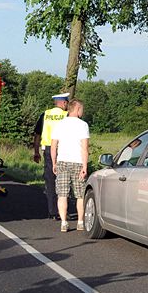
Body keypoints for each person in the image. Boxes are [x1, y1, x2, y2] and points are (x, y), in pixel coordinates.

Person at [50, 99, 89, 233]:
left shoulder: (59, 124)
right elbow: (84, 148)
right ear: (77, 109)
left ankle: (64, 222)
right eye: (81, 109)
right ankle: (80, 222)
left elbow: (53, 146)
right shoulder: (83, 125)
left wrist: (54, 162)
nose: (82, 112)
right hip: (78, 162)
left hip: (62, 162)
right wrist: (85, 166)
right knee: (80, 195)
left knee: (62, 194)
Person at [33, 93, 69, 219]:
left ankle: (53, 211)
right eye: (67, 103)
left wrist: (36, 152)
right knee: (64, 180)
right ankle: (63, 210)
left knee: (50, 181)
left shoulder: (45, 114)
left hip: (48, 150)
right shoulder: (67, 115)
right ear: (64, 103)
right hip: (64, 150)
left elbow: (37, 134)